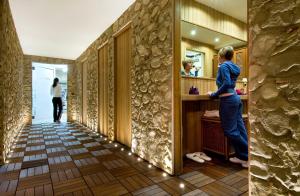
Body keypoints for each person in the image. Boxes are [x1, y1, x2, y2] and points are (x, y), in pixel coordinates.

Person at [208, 46, 248, 168]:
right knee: (240, 128)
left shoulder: (224, 66)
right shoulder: (234, 67)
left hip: (228, 100)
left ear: (221, 56)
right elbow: (230, 84)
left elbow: (226, 83)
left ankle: (248, 156)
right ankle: (243, 156)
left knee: (230, 130)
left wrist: (213, 94)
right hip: (235, 98)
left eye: (219, 56)